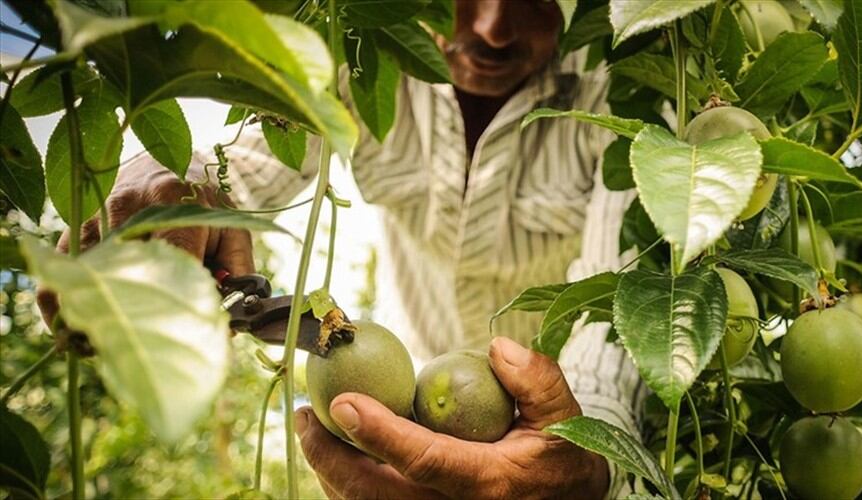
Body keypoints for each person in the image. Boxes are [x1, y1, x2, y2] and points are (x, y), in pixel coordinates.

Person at [41, 1, 645, 498]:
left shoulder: (627, 86)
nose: (490, 28)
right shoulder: (359, 47)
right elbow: (245, 161)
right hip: (391, 431)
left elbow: (621, 309)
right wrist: (176, 182)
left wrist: (589, 456)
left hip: (550, 423)